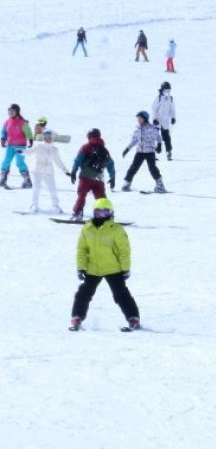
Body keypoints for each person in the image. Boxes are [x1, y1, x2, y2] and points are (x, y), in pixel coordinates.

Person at [69, 198, 141, 331]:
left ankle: (133, 318)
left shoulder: (116, 229)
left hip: (113, 268)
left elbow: (124, 251)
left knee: (121, 294)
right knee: (83, 294)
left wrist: (125, 268)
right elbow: (82, 249)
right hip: (93, 268)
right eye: (98, 212)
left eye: (105, 212)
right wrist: (80, 267)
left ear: (110, 213)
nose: (101, 215)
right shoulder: (87, 228)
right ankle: (77, 317)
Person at [68, 129, 115, 222]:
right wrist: (112, 177)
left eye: (93, 138)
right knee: (101, 198)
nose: (93, 140)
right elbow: (110, 164)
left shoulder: (86, 148)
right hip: (98, 179)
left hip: (86, 178)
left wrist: (74, 171)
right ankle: (106, 214)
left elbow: (78, 160)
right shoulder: (104, 150)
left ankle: (78, 213)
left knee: (83, 196)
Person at [120, 111, 165, 193]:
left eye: (140, 118)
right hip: (139, 152)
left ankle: (160, 185)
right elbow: (134, 140)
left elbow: (158, 137)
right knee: (133, 168)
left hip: (150, 152)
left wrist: (159, 145)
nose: (138, 120)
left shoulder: (152, 128)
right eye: (138, 118)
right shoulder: (137, 129)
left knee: (152, 168)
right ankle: (126, 184)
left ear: (145, 118)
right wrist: (127, 149)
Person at [28, 126, 68, 213]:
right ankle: (34, 205)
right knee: (36, 189)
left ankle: (55, 206)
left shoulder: (54, 150)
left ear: (52, 138)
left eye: (49, 137)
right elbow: (29, 152)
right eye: (45, 137)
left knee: (53, 189)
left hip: (48, 172)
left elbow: (59, 162)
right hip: (37, 171)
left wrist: (66, 171)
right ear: (43, 137)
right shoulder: (38, 146)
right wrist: (21, 151)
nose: (47, 139)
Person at [1, 103, 34, 189]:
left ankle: (27, 180)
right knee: (6, 161)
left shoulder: (22, 123)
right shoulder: (7, 122)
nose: (10, 112)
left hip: (20, 146)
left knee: (19, 162)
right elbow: (3, 131)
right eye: (9, 111)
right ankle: (3, 179)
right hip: (10, 146)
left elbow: (28, 132)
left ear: (17, 112)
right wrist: (3, 139)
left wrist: (30, 140)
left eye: (12, 111)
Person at [151, 81, 176, 160]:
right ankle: (154, 153)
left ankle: (169, 152)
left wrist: (173, 117)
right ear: (162, 90)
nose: (167, 92)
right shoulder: (158, 99)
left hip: (165, 121)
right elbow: (154, 109)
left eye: (168, 91)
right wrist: (154, 119)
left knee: (166, 137)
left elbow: (172, 109)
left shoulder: (170, 99)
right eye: (165, 91)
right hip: (158, 120)